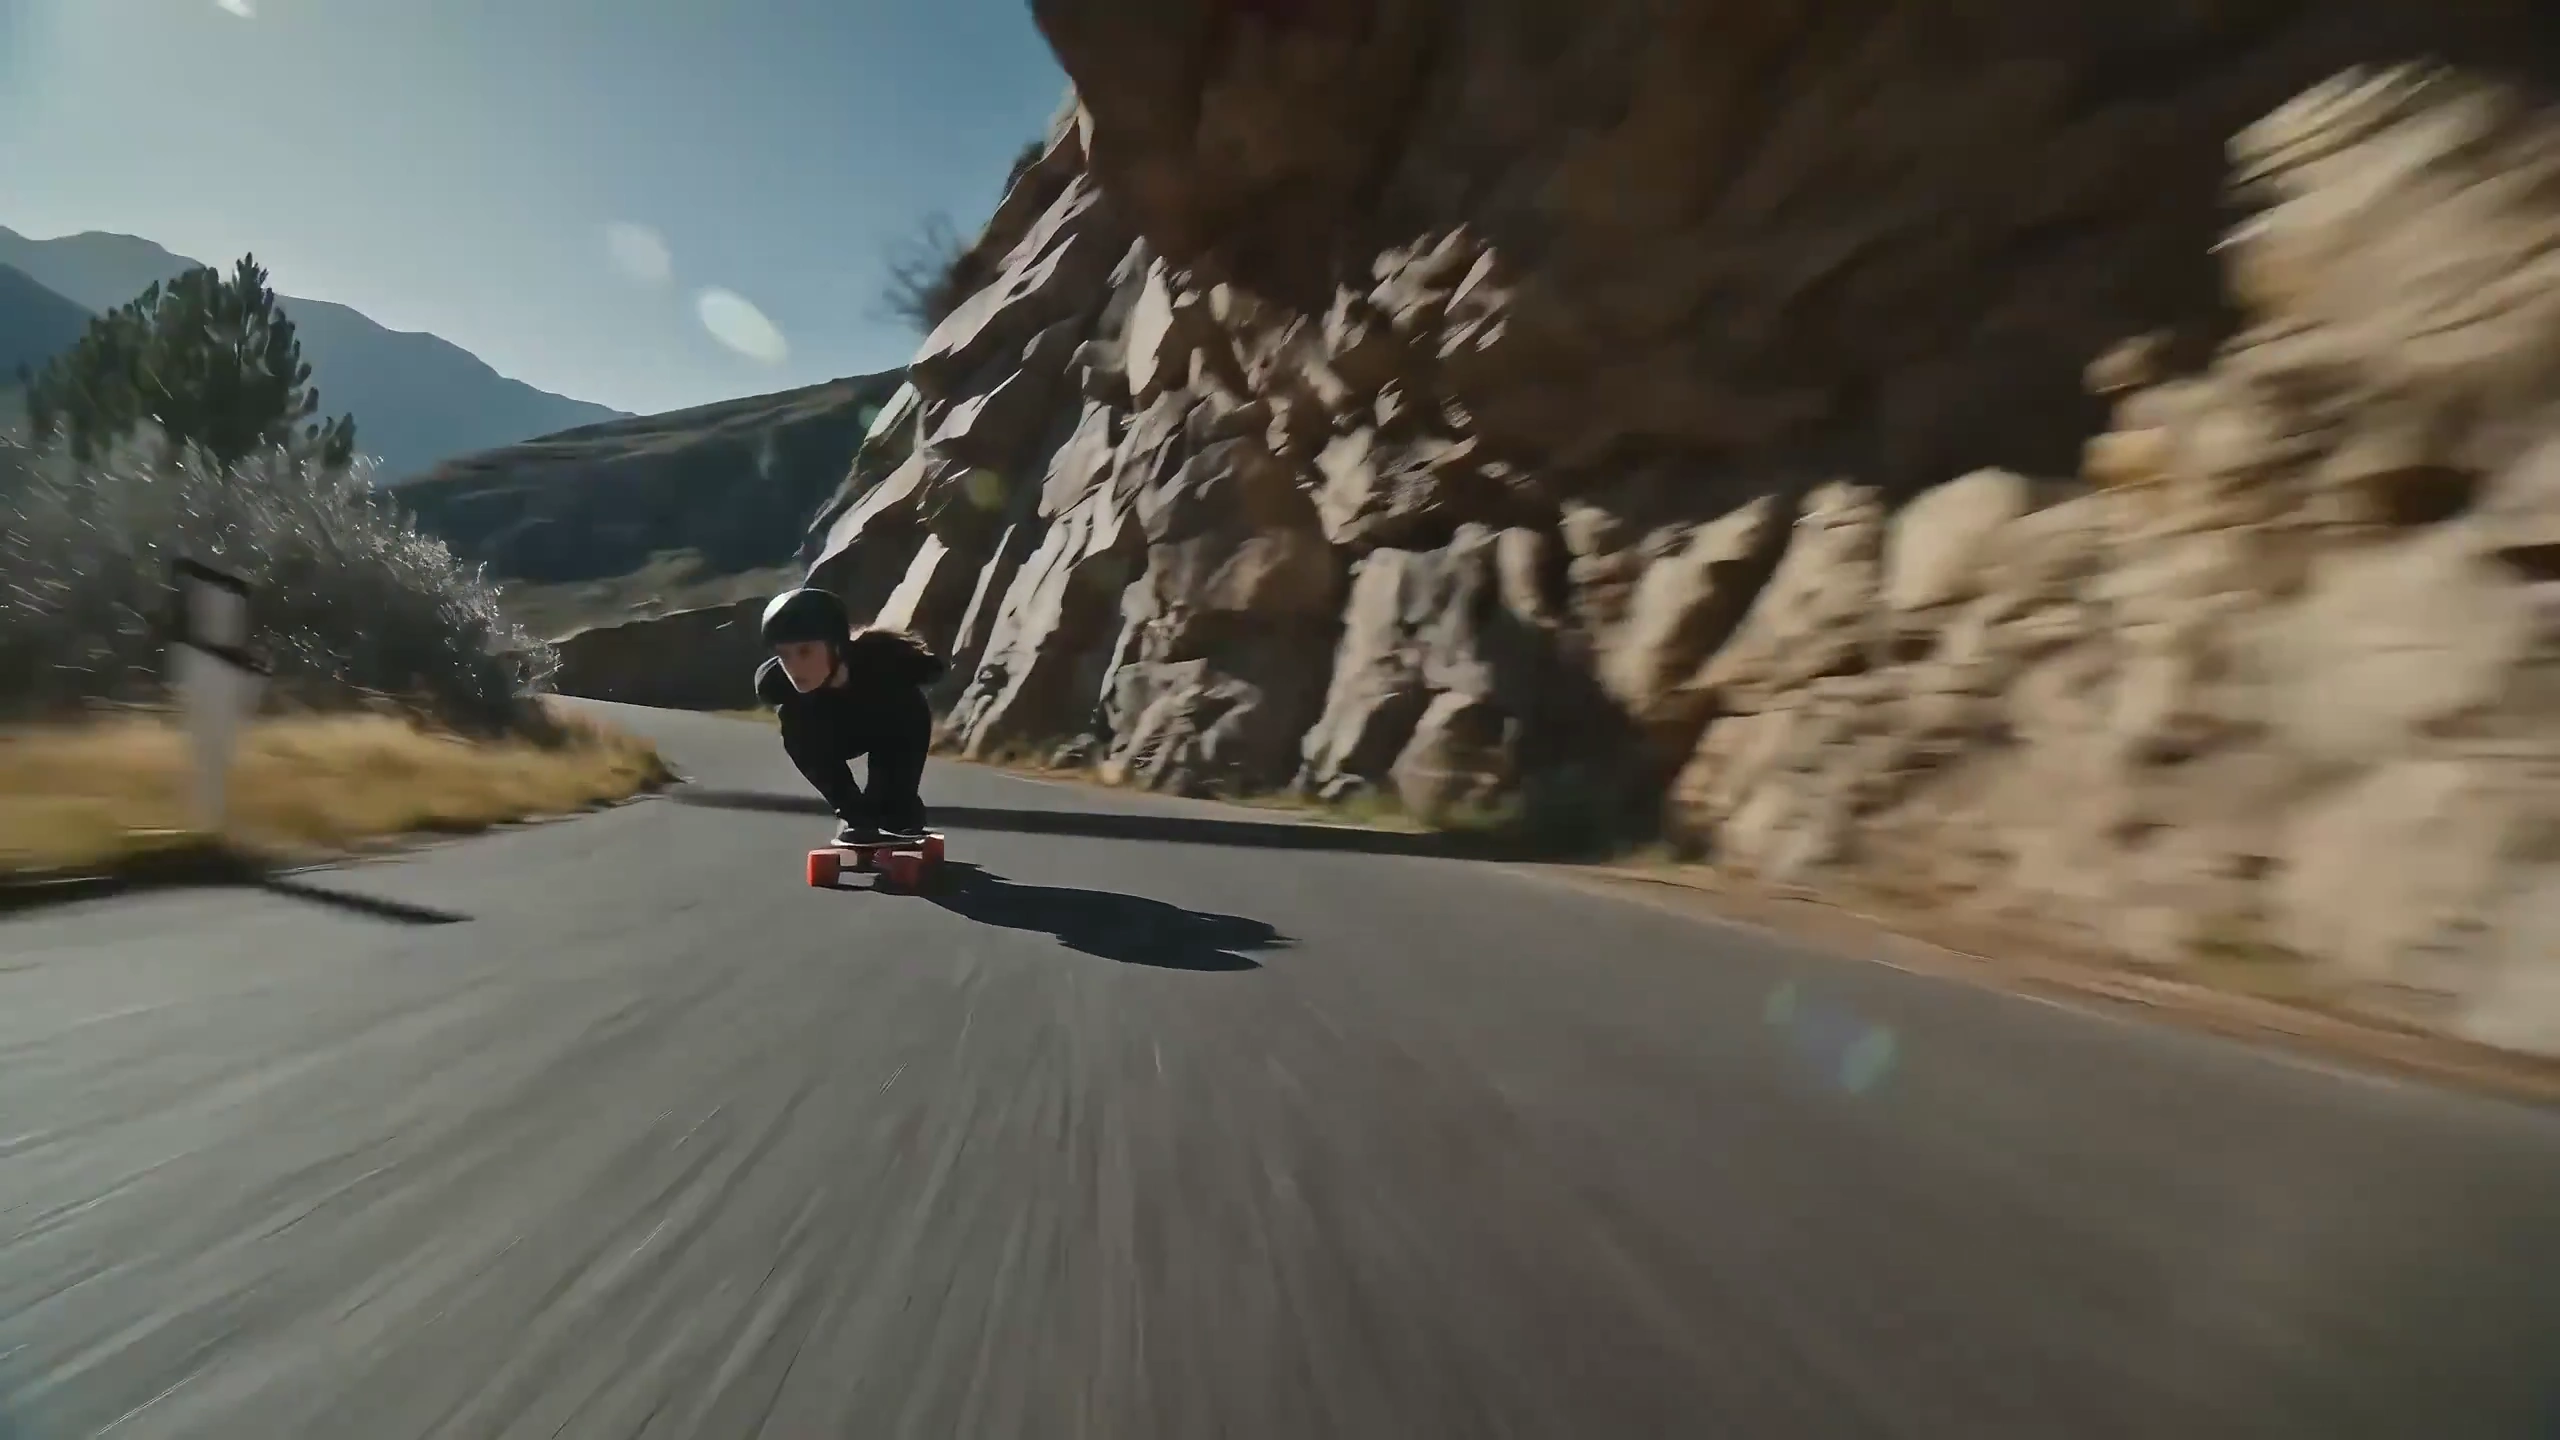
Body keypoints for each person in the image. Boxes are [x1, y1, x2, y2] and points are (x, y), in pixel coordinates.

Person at [753, 586, 948, 846]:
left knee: (907, 705)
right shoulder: (775, 684)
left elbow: (932, 669)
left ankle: (899, 811)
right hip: (832, 734)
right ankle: (855, 816)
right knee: (793, 720)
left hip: (891, 725)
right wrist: (853, 811)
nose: (793, 667)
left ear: (837, 647)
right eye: (784, 655)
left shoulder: (881, 662)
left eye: (805, 651)